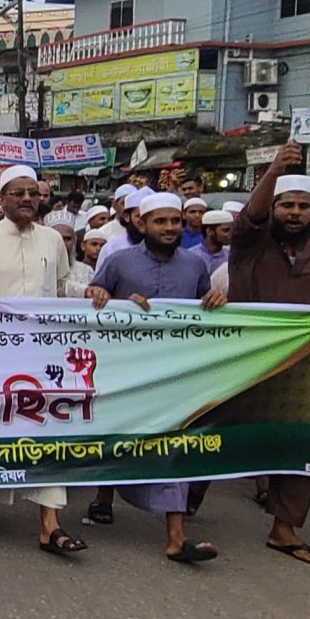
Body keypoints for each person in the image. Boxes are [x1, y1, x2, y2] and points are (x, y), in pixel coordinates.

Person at [83, 192, 224, 563]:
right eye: (160, 222)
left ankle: (176, 536)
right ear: (141, 224)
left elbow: (203, 309)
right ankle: (104, 495)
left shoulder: (194, 265)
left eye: (175, 221)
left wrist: (216, 302)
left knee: (173, 443)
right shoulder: (118, 262)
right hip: (124, 369)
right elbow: (92, 300)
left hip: (174, 371)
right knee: (117, 433)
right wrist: (100, 294)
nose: (169, 228)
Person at [0, 164, 85, 552]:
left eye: (33, 193)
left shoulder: (52, 240)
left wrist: (93, 294)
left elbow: (61, 286)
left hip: (41, 351)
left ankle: (50, 524)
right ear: (3, 198)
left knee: (46, 425)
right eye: (19, 193)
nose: (27, 199)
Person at [225, 143, 310, 566]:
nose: (295, 213)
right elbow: (252, 216)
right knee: (215, 433)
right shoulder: (250, 243)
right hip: (242, 358)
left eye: (303, 207)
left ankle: (284, 529)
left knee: (299, 443)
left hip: (302, 364)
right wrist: (275, 167)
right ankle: (180, 519)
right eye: (287, 205)